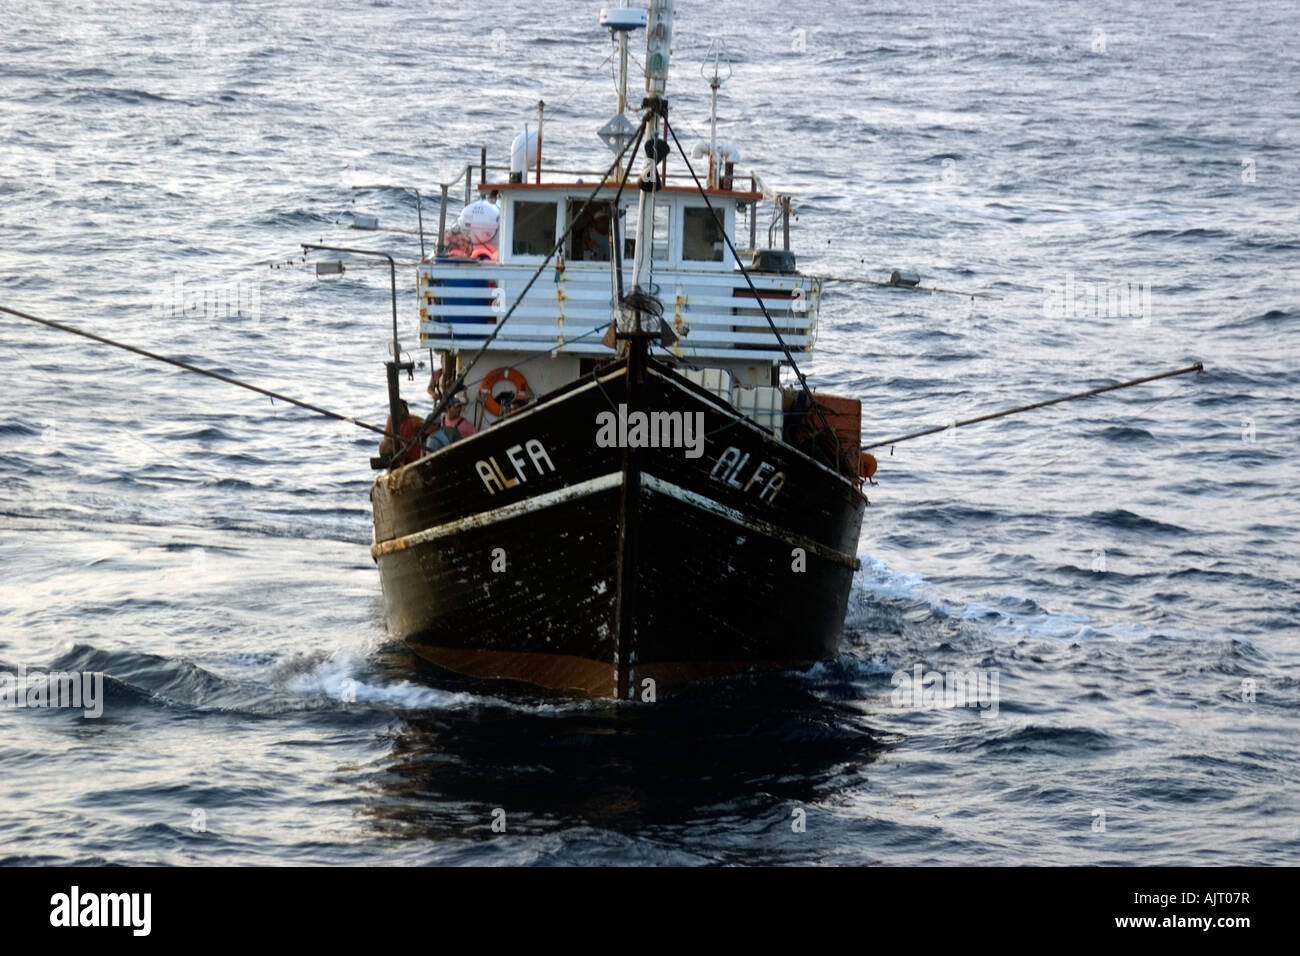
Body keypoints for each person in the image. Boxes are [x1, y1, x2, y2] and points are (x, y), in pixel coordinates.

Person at [378, 400, 424, 465]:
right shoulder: (391, 419)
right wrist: (400, 442)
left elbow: (429, 427)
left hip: (412, 453)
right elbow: (386, 438)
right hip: (399, 452)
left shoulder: (414, 421)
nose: (399, 411)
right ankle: (390, 468)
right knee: (383, 445)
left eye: (401, 408)